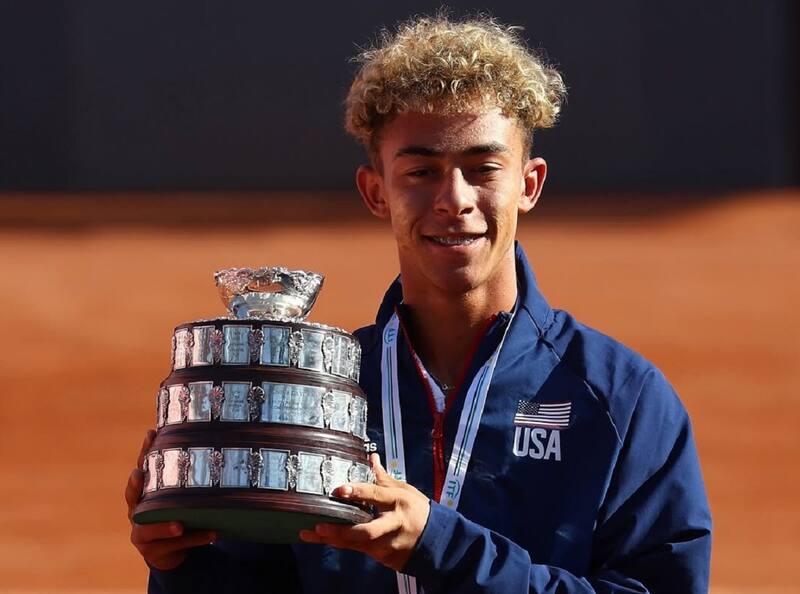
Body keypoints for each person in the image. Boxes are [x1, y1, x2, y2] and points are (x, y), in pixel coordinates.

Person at [125, 14, 712, 593]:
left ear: (528, 185)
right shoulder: (307, 394)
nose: (454, 199)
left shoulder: (621, 400)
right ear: (376, 191)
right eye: (421, 172)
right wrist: (187, 565)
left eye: (483, 168)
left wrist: (441, 547)